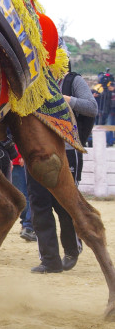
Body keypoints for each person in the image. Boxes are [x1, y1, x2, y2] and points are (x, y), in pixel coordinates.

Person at [26, 66, 97, 273]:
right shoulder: (31, 81)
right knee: (39, 205)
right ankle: (49, 260)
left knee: (64, 204)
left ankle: (71, 250)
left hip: (66, 149)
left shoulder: (72, 80)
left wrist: (66, 99)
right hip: (36, 151)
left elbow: (92, 108)